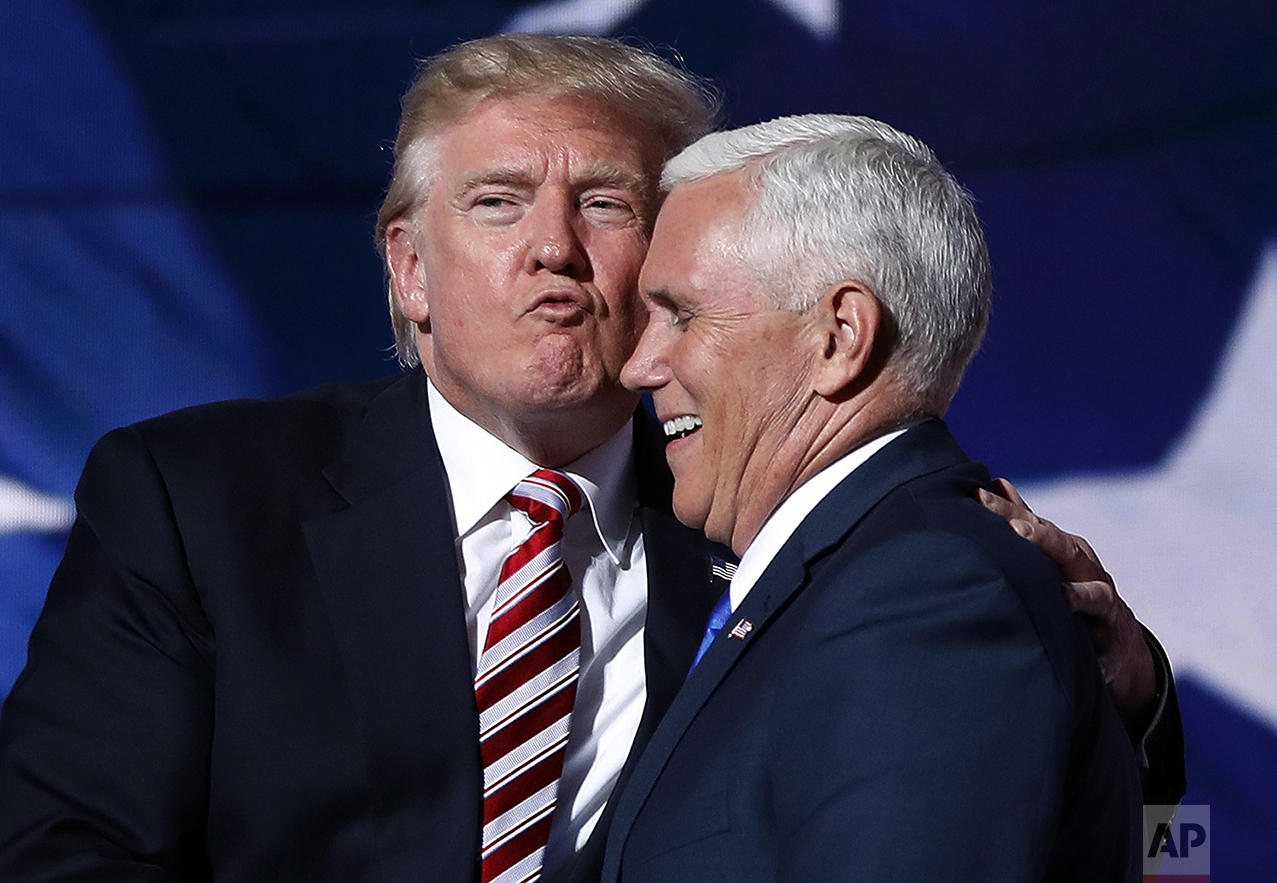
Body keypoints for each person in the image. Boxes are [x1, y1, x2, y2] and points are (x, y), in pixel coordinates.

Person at [0, 36, 1176, 883]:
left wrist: (1131, 707)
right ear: (410, 271)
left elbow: (1080, 829)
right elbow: (55, 847)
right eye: (499, 203)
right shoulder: (196, 504)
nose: (554, 252)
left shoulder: (794, 538)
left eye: (606, 203)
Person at [604, 114, 1146, 881]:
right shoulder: (841, 582)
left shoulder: (923, 594)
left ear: (839, 336)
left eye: (680, 315)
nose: (638, 365)